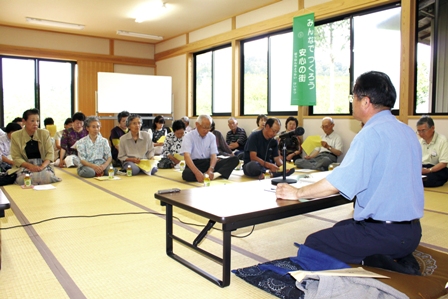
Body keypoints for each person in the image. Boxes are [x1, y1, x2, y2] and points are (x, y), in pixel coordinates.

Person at [276, 71, 424, 270]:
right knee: (341, 229)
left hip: (384, 234)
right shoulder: (407, 131)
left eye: (353, 97)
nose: (352, 102)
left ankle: (380, 263)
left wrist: (297, 193)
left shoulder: (370, 134)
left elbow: (338, 183)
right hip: (412, 231)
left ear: (365, 101)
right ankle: (393, 255)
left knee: (313, 244)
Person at [9, 108, 62, 185]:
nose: (36, 123)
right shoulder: (15, 135)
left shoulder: (44, 133)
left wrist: (42, 166)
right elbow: (16, 157)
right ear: (24, 121)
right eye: (32, 121)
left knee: (47, 176)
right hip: (25, 165)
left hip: (42, 164)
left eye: (37, 121)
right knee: (23, 178)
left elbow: (50, 153)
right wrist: (30, 166)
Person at [180, 115, 239, 182]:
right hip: (195, 164)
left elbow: (213, 155)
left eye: (208, 128)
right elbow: (187, 156)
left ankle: (213, 175)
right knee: (187, 175)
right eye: (204, 127)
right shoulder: (189, 136)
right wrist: (196, 172)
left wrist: (211, 169)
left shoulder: (212, 136)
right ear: (197, 124)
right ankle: (211, 175)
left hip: (209, 163)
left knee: (235, 159)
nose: (206, 130)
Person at [416, 115, 448, 187]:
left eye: (423, 130)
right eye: (419, 131)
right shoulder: (419, 142)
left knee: (429, 179)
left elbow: (443, 163)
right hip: (423, 167)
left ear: (432, 128)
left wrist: (429, 170)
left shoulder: (442, 140)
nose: (421, 134)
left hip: (437, 168)